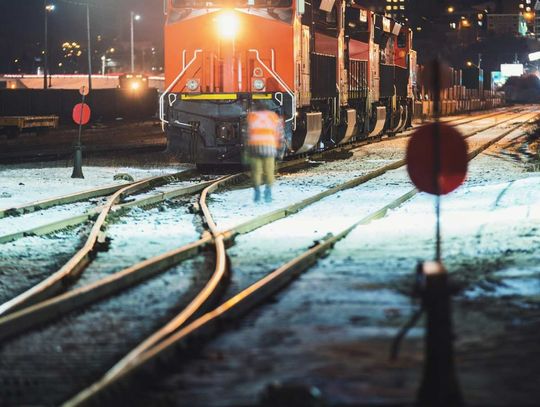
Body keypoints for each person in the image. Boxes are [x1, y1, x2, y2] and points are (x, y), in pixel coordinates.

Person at [246, 101, 284, 203]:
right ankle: (268, 193)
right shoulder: (273, 117)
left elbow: (248, 133)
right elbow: (280, 133)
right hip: (269, 148)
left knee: (256, 171)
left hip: (255, 148)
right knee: (269, 171)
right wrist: (280, 148)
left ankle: (257, 193)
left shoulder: (252, 117)